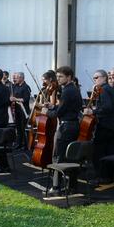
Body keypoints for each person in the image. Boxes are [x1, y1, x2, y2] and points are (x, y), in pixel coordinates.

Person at [44, 66, 82, 195]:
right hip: (74, 125)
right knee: (72, 156)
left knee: (58, 156)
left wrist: (47, 111)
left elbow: (59, 113)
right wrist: (54, 106)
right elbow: (67, 107)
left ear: (69, 77)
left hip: (66, 127)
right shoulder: (75, 89)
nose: (58, 79)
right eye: (57, 76)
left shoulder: (67, 91)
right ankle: (72, 187)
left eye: (61, 77)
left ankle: (55, 187)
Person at [85, 70, 114, 185]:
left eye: (96, 77)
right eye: (94, 78)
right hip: (113, 126)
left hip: (105, 126)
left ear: (104, 78)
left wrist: (93, 111)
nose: (95, 80)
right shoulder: (111, 90)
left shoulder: (104, 90)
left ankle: (100, 177)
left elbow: (107, 107)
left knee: (99, 153)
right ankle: (108, 177)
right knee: (109, 152)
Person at [11, 72, 31, 149]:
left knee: (23, 128)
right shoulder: (15, 86)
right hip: (17, 109)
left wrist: (15, 99)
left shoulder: (26, 87)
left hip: (23, 110)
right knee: (18, 128)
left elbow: (26, 99)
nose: (16, 79)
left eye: (18, 77)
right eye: (16, 77)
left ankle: (25, 145)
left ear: (22, 78)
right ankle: (18, 143)